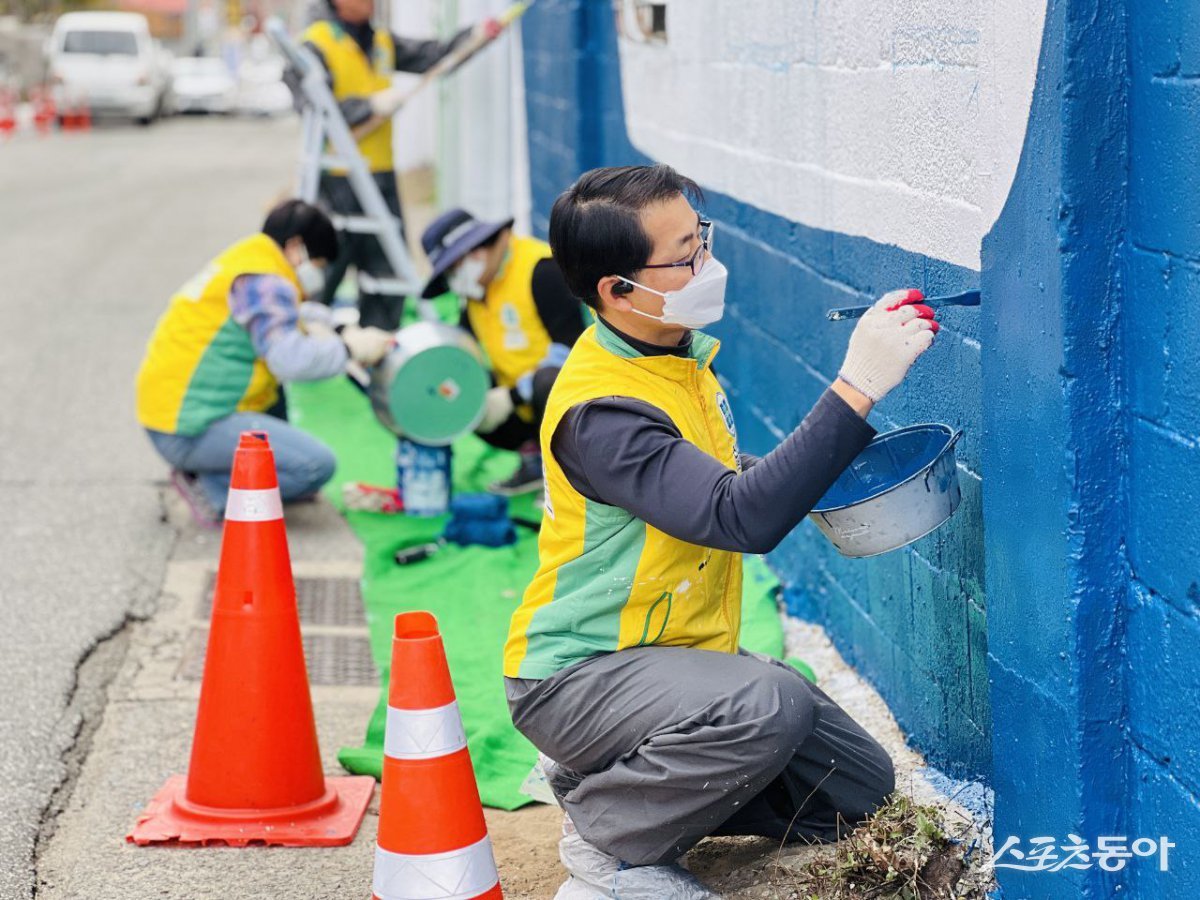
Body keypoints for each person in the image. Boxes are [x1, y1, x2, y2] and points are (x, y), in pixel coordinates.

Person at [502, 165, 941, 898]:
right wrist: (858, 383)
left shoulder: (674, 360)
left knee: (858, 788)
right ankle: (609, 843)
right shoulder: (603, 413)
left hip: (666, 661)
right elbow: (742, 516)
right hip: (578, 675)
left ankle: (613, 777)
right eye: (685, 256)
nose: (707, 264)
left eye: (700, 239)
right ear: (618, 291)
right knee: (771, 703)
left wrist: (836, 479)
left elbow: (729, 479)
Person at [136, 199, 396, 526]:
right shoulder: (266, 281)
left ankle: (231, 470)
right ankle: (212, 488)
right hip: (187, 428)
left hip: (172, 413)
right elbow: (290, 361)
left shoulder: (249, 261)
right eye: (317, 263)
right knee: (316, 466)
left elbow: (294, 316)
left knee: (276, 397)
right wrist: (347, 349)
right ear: (296, 248)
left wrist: (338, 327)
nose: (318, 275)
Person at [299, 0, 501, 330]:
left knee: (386, 274)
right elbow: (309, 103)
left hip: (379, 174)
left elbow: (433, 55)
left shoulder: (380, 41)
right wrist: (368, 106)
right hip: (338, 178)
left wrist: (477, 35)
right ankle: (310, 345)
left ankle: (378, 346)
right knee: (326, 271)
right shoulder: (314, 44)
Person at [420, 208, 586, 495]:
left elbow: (574, 351)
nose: (455, 276)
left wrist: (512, 396)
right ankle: (534, 460)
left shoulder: (542, 269)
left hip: (569, 394)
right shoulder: (474, 291)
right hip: (518, 401)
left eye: (455, 265)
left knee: (549, 380)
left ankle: (570, 479)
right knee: (462, 388)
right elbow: (462, 349)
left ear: (478, 250)